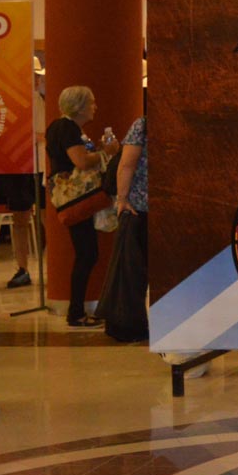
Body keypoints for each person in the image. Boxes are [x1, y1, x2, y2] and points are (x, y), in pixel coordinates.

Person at [44, 85, 118, 327]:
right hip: (74, 197)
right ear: (80, 106)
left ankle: (76, 311)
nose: (95, 107)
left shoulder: (66, 128)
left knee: (87, 253)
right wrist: (106, 153)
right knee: (87, 253)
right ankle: (75, 312)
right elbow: (81, 162)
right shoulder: (67, 128)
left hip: (72, 197)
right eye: (91, 102)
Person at [100, 114, 150, 342]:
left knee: (130, 273)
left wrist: (122, 199)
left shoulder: (143, 124)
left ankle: (129, 325)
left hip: (139, 209)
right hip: (169, 210)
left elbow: (127, 164)